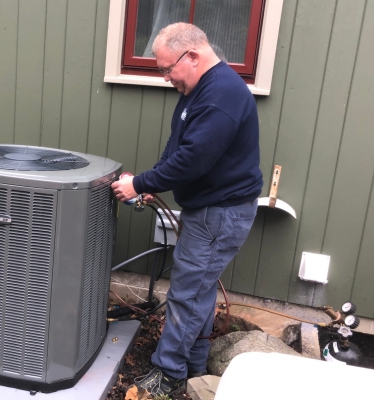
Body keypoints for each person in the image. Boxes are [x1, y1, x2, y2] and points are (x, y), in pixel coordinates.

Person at [111, 22, 262, 397]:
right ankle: (195, 363)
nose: (165, 78)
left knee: (187, 293)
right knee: (199, 290)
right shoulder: (197, 89)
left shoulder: (220, 95)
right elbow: (177, 146)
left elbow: (194, 160)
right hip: (211, 209)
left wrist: (141, 183)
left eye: (166, 69)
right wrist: (149, 182)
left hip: (220, 213)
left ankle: (169, 375)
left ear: (192, 56)